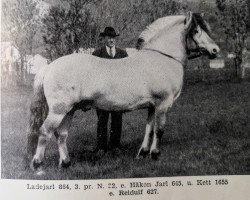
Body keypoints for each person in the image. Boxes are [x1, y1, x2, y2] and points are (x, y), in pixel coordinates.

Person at [92, 26, 128, 153]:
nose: (111, 40)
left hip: (118, 93)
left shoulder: (123, 54)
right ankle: (101, 147)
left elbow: (126, 74)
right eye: (109, 38)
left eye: (113, 38)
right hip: (102, 93)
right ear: (104, 39)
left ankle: (115, 146)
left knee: (117, 119)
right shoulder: (97, 54)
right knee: (102, 119)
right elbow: (94, 74)